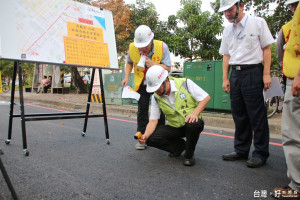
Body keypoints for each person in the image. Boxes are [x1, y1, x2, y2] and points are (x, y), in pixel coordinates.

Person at [218, 0, 274, 168]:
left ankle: (260, 153)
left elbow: (266, 49)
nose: (227, 14)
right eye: (224, 11)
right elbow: (226, 55)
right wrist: (225, 78)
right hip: (235, 74)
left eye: (229, 9)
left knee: (257, 116)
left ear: (240, 6)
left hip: (253, 72)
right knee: (239, 114)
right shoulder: (228, 30)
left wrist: (266, 74)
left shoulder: (258, 23)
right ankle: (241, 150)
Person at [138, 65, 210, 166]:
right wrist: (145, 135)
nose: (156, 91)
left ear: (166, 80)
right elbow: (153, 121)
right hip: (175, 127)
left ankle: (189, 155)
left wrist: (194, 114)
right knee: (150, 138)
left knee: (193, 125)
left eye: (158, 88)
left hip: (190, 123)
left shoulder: (185, 83)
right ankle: (179, 147)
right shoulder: (156, 97)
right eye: (154, 89)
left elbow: (205, 98)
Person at [121, 25, 171, 150]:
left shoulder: (162, 46)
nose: (143, 49)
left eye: (146, 46)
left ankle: (159, 137)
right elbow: (129, 61)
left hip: (158, 83)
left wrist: (153, 64)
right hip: (141, 84)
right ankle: (141, 137)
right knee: (142, 110)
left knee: (160, 110)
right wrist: (126, 77)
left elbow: (168, 68)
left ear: (151, 40)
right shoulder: (132, 47)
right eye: (140, 47)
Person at [272, 2, 300, 198]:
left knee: (292, 134)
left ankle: (296, 186)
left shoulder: (289, 27)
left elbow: (280, 55)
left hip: (295, 81)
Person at [276, 0, 299, 89]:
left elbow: (279, 52)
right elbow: (279, 50)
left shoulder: (285, 28)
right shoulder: (285, 29)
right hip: (292, 76)